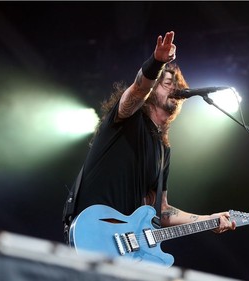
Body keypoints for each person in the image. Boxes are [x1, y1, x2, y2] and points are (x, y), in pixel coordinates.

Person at [63, 31, 235, 246]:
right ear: (152, 90)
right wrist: (156, 63)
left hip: (125, 245)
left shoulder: (163, 149)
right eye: (168, 84)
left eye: (177, 86)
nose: (175, 89)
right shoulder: (127, 118)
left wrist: (208, 220)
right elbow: (138, 89)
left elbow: (163, 211)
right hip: (94, 231)